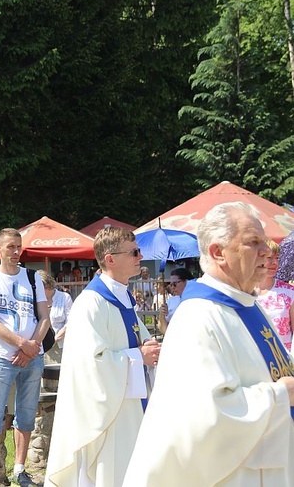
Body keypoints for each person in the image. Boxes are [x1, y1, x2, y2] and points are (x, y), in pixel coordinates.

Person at [123, 202, 294, 485]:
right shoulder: (198, 317)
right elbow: (202, 417)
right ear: (218, 252)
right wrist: (281, 395)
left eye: (264, 241)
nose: (266, 250)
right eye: (253, 242)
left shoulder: (249, 305)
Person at [45, 227, 160, 487]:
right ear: (110, 259)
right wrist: (138, 357)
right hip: (108, 413)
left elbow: (138, 341)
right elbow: (91, 365)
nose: (140, 257)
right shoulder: (91, 303)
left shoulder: (123, 296)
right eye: (134, 252)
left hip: (129, 403)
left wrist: (151, 350)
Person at [0, 228, 51, 487]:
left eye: (18, 246)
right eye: (10, 247)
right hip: (2, 357)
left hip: (33, 357)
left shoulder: (32, 278)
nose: (16, 252)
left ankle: (20, 469)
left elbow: (44, 317)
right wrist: (22, 344)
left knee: (27, 414)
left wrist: (32, 347)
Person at [256, 239, 294, 352]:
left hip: (283, 360)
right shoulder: (242, 291)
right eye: (269, 258)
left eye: (277, 258)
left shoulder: (289, 292)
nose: (275, 262)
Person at [39, 271, 73, 364]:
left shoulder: (65, 297)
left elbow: (71, 322)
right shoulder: (36, 300)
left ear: (47, 285)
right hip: (41, 346)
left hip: (61, 346)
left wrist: (56, 338)